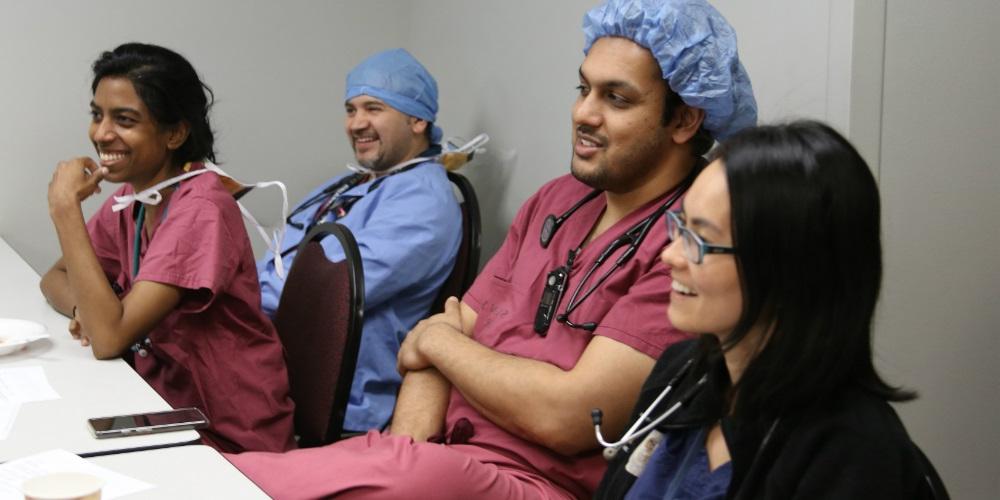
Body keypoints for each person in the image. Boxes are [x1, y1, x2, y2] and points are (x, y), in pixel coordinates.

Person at [227, 1, 756, 497]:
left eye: (616, 99)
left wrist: (441, 346)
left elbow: (566, 416)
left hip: (536, 483)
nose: (583, 114)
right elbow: (435, 351)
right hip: (434, 456)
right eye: (583, 89)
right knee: (230, 475)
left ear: (685, 119)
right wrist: (406, 451)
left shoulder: (687, 247)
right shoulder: (556, 202)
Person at [594, 121, 950, 499]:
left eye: (700, 239)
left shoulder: (852, 454)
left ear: (787, 269)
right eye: (679, 226)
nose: (670, 256)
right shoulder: (681, 374)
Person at [39, 43, 295, 453]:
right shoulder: (136, 199)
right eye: (97, 114)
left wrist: (65, 209)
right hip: (161, 406)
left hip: (227, 435)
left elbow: (110, 339)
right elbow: (56, 277)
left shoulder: (200, 209)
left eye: (124, 120)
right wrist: (82, 309)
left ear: (175, 133)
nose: (102, 133)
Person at [256, 48, 462, 433]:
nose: (356, 123)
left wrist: (236, 299)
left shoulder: (423, 203)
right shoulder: (352, 183)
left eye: (373, 109)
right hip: (280, 362)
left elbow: (327, 289)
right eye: (351, 110)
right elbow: (280, 256)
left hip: (340, 399)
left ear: (418, 119)